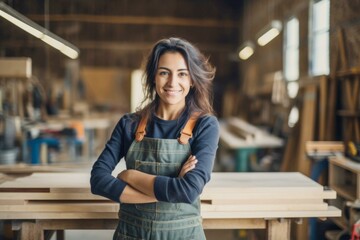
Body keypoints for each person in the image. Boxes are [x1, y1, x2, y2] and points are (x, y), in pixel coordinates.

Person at [90, 37, 220, 240]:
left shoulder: (205, 126)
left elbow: (188, 191)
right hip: (131, 234)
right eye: (164, 73)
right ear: (153, 77)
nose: (172, 83)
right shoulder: (129, 124)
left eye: (182, 74)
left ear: (192, 80)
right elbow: (98, 180)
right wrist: (172, 186)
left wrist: (130, 176)